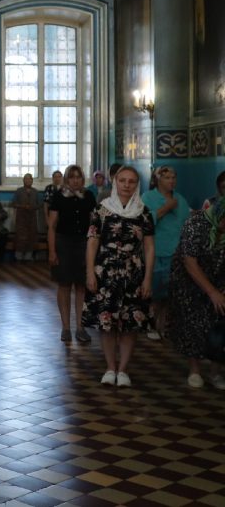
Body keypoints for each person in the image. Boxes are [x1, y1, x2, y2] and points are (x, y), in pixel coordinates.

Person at [83, 165, 154, 387]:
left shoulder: (144, 212)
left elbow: (149, 247)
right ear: (115, 182)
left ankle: (123, 370)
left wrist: (148, 278)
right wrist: (90, 272)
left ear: (137, 185)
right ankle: (110, 367)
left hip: (133, 274)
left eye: (131, 181)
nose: (126, 185)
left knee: (130, 323)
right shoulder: (102, 210)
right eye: (122, 180)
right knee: (107, 323)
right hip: (106, 272)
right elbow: (92, 242)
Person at [166, 199, 225, 389]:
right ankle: (195, 370)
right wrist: (211, 292)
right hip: (188, 281)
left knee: (219, 324)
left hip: (219, 278)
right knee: (193, 323)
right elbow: (189, 261)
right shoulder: (196, 224)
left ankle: (215, 372)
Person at [47, 165, 97, 343]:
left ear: (83, 179)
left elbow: (94, 223)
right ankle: (66, 327)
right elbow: (52, 226)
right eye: (72, 177)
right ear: (67, 179)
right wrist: (52, 251)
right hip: (63, 243)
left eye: (78, 177)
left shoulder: (89, 196)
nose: (75, 180)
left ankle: (80, 327)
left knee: (82, 286)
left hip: (84, 243)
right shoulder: (59, 196)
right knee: (64, 285)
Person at [141, 166, 191, 340]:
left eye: (173, 177)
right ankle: (151, 325)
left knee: (169, 294)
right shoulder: (148, 197)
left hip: (175, 254)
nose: (172, 181)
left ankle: (163, 326)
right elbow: (145, 222)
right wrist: (166, 208)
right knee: (154, 293)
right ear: (158, 180)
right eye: (167, 177)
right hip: (155, 253)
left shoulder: (180, 199)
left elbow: (186, 225)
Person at [11, 173, 41, 261]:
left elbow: (39, 204)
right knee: (20, 236)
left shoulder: (35, 192)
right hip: (21, 218)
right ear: (23, 180)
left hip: (32, 218)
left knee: (31, 236)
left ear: (32, 181)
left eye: (29, 179)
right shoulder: (19, 191)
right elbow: (13, 203)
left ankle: (29, 255)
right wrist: (23, 206)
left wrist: (32, 207)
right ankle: (18, 256)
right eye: (26, 179)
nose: (28, 181)